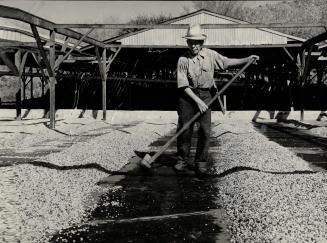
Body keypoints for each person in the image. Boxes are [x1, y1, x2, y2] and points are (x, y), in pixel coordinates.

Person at [175, 23, 259, 174]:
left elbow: (226, 62)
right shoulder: (182, 60)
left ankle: (200, 162)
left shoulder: (211, 55)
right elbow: (183, 86)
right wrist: (198, 102)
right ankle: (182, 159)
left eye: (197, 42)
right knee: (184, 129)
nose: (194, 45)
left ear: (202, 43)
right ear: (187, 42)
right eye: (191, 42)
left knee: (205, 131)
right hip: (188, 97)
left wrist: (246, 59)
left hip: (207, 94)